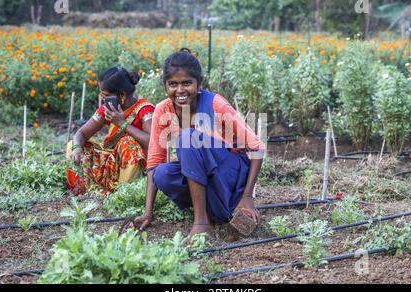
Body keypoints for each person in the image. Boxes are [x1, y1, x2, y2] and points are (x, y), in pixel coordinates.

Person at [132, 49, 266, 236]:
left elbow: (257, 147)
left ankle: (202, 221)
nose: (180, 90)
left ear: (199, 83)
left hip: (230, 173)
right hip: (205, 176)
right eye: (173, 84)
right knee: (162, 174)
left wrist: (248, 197)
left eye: (187, 83)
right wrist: (148, 212)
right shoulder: (163, 110)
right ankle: (211, 209)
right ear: (165, 86)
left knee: (187, 138)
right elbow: (154, 163)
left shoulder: (215, 104)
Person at [67, 66, 155, 193]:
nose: (103, 99)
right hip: (111, 161)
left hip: (137, 169)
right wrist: (77, 149)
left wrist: (122, 124)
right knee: (73, 145)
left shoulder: (144, 108)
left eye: (106, 95)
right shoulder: (107, 109)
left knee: (128, 143)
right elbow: (81, 133)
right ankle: (83, 189)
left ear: (122, 95)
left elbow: (151, 141)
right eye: (101, 94)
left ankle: (123, 192)